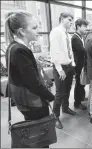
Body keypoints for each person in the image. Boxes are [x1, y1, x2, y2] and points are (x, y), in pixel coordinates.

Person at [4, 11, 55, 148]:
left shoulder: (13, 47)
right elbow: (33, 83)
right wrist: (50, 96)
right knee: (41, 135)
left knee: (36, 132)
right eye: (34, 28)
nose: (38, 31)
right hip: (33, 102)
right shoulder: (19, 50)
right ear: (22, 31)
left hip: (26, 100)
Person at [50, 12, 76, 129]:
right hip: (60, 67)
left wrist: (72, 63)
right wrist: (60, 69)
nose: (71, 22)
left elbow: (69, 51)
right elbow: (54, 52)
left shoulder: (67, 35)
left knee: (68, 89)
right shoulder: (56, 32)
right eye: (69, 19)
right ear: (62, 19)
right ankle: (55, 116)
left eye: (72, 20)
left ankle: (65, 108)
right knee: (59, 93)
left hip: (69, 66)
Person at [72, 18, 88, 110]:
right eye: (84, 26)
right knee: (78, 84)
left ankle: (81, 97)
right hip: (78, 65)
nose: (86, 28)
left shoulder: (81, 37)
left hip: (82, 64)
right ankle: (77, 102)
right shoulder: (75, 38)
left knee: (82, 83)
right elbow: (82, 50)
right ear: (78, 27)